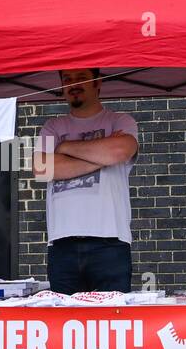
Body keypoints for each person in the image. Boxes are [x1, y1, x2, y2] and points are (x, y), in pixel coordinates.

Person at [32, 68, 140, 294]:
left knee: (112, 323)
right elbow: (41, 168)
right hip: (62, 244)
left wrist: (65, 148)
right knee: (65, 325)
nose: (74, 84)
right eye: (67, 79)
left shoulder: (119, 120)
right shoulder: (52, 126)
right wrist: (103, 157)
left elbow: (121, 150)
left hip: (110, 241)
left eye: (81, 78)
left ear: (97, 82)